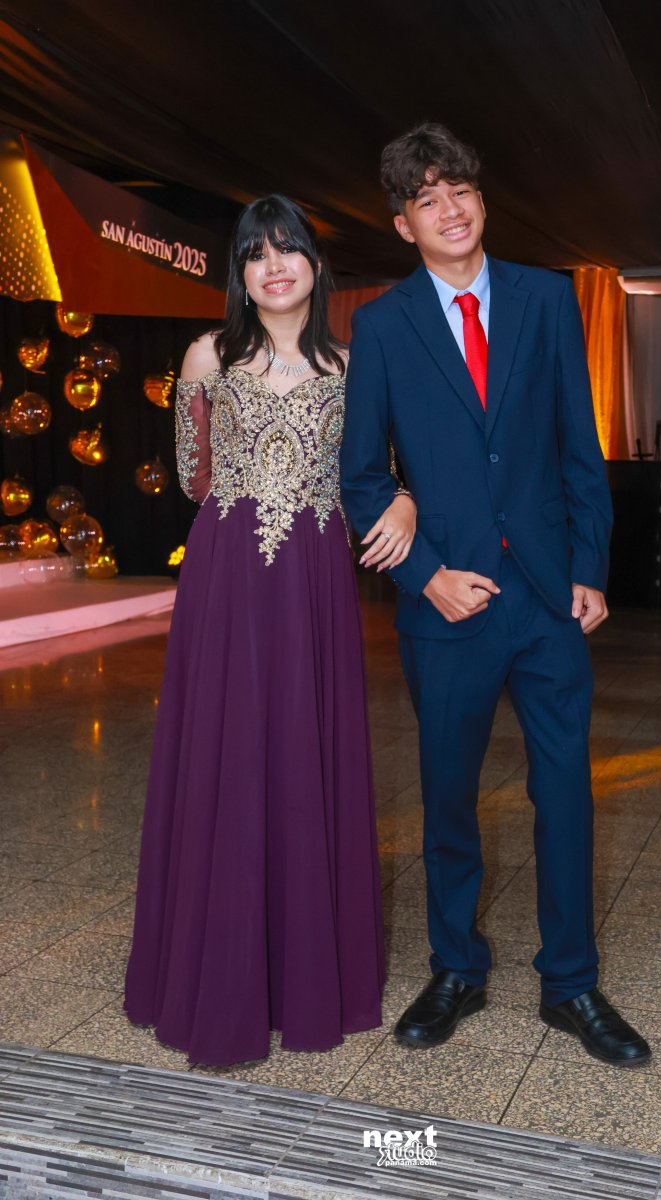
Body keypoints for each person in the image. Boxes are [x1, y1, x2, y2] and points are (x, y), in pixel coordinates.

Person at [340, 123, 651, 1067]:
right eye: (427, 198)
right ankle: (456, 969)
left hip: (547, 598)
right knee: (448, 798)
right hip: (447, 604)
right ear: (404, 224)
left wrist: (589, 566)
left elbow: (579, 444)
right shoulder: (382, 325)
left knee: (566, 793)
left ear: (481, 198)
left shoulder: (545, 298)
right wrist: (424, 574)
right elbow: (361, 477)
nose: (451, 208)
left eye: (461, 189)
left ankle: (572, 984)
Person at [124, 195, 415, 1067]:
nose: (274, 266)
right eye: (257, 254)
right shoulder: (207, 356)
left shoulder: (354, 365)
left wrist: (403, 498)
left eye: (289, 250)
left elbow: (377, 475)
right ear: (240, 275)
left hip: (315, 581)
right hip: (225, 580)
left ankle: (300, 975)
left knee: (301, 750)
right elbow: (193, 477)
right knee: (224, 749)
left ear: (317, 268)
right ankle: (214, 975)